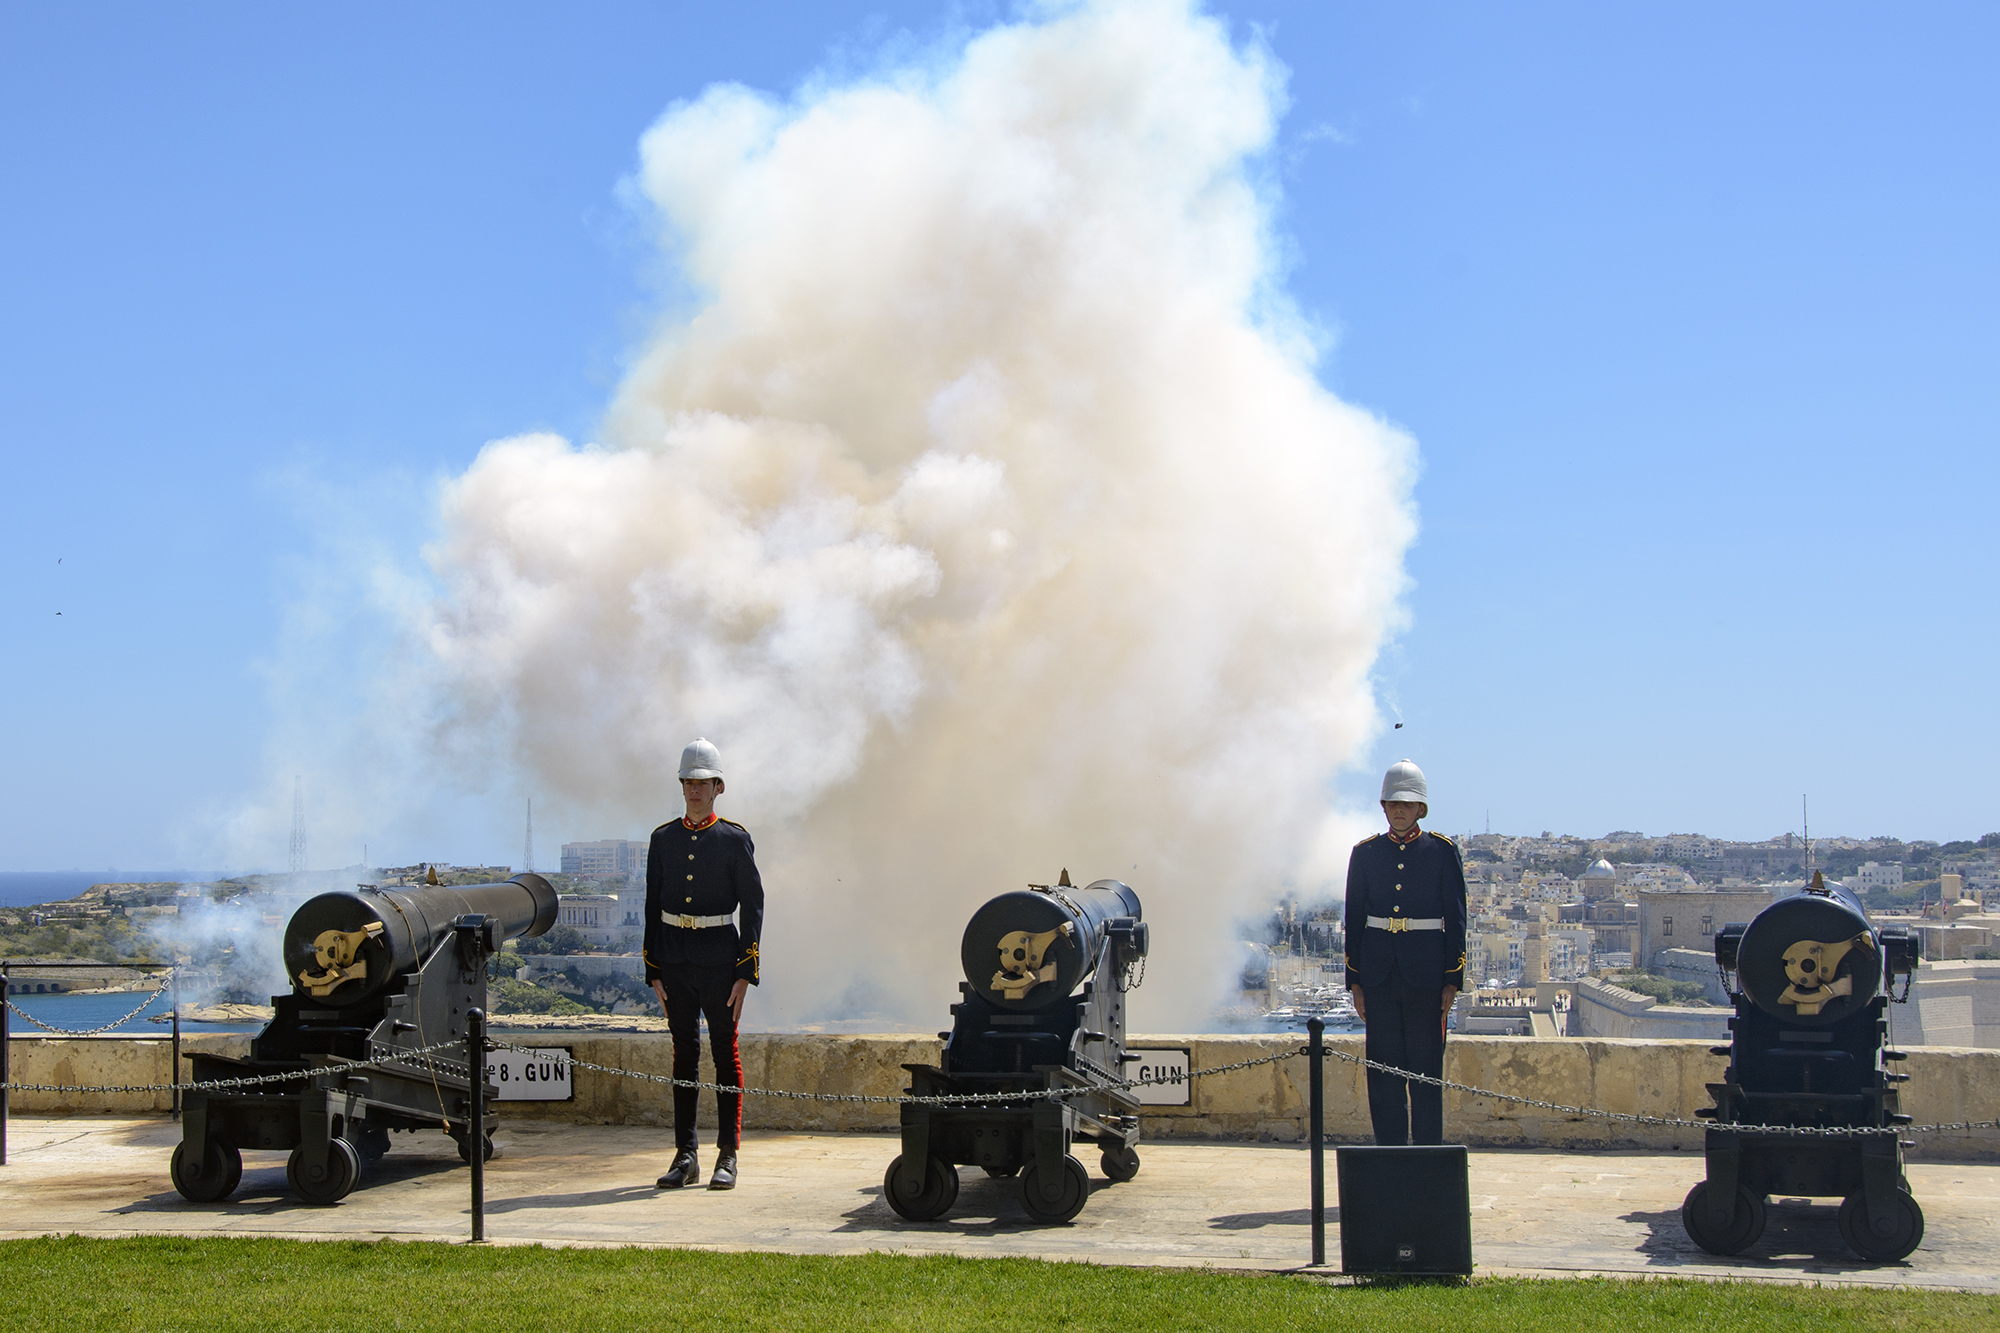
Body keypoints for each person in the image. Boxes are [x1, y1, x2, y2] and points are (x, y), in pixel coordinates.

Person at [645, 737, 764, 1191]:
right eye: (688, 782)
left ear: (718, 787)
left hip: (719, 962)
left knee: (725, 1057)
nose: (694, 790)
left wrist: (744, 972)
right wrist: (653, 968)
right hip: (675, 961)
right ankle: (686, 1155)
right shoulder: (663, 839)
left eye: (703, 783)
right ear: (681, 786)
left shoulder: (734, 839)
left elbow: (753, 907)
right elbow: (653, 904)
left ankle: (728, 1156)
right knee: (684, 1059)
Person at [1343, 759, 1467, 1146]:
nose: (1399, 809)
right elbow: (1355, 921)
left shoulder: (1442, 852)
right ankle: (1389, 1154)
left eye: (1407, 803)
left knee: (1426, 1073)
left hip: (1426, 977)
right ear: (1383, 806)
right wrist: (1356, 983)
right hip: (1379, 976)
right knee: (1382, 1074)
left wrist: (1452, 981)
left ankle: (1428, 1156)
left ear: (1420, 809)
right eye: (1392, 802)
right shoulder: (1365, 854)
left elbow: (1456, 920)